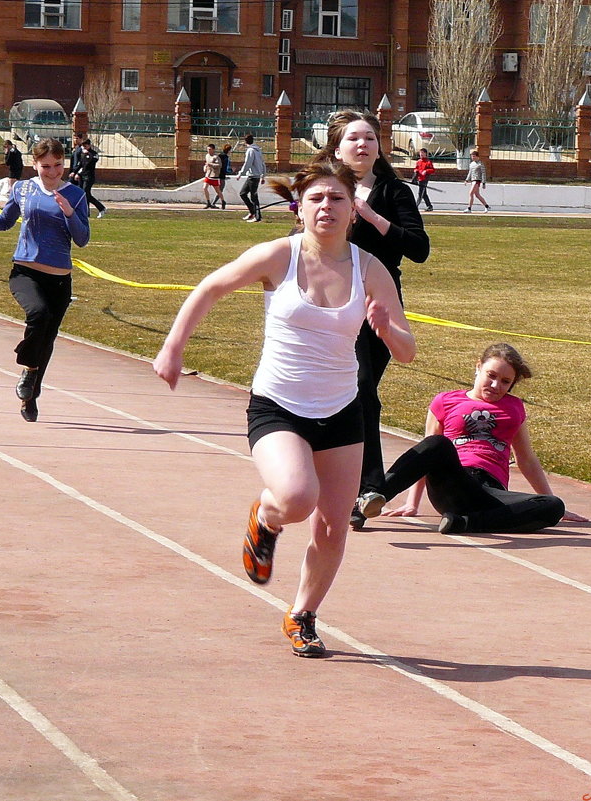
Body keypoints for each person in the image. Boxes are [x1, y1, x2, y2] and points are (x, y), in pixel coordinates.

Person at [152, 161, 415, 657]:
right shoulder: (279, 256)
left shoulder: (369, 268)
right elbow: (211, 287)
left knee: (334, 526)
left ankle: (302, 615)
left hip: (342, 411)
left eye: (337, 199)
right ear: (300, 206)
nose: (326, 208)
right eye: (316, 199)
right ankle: (267, 516)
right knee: (296, 497)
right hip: (279, 405)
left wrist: (386, 328)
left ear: (353, 209)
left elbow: (407, 351)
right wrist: (173, 346)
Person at [317, 109, 430, 530]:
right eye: (353, 139)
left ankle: (364, 488)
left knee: (362, 386)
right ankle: (360, 486)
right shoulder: (324, 190)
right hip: (330, 302)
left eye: (369, 138)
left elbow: (419, 249)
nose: (362, 145)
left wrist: (370, 215)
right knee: (348, 389)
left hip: (379, 304)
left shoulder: (394, 191)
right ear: (336, 147)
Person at [358, 343, 588, 533]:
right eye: (491, 375)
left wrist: (547, 496)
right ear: (478, 368)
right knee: (438, 444)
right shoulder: (445, 401)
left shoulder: (514, 407)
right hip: (452, 482)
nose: (496, 385)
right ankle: (368, 501)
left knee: (553, 506)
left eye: (506, 382)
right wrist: (412, 503)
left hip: (490, 493)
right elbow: (423, 454)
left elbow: (526, 459)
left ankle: (463, 523)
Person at [0, 138, 90, 423]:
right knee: (38, 315)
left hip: (59, 280)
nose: (53, 172)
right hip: (25, 272)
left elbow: (82, 239)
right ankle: (28, 368)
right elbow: (6, 220)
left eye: (58, 165)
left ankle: (30, 393)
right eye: (46, 166)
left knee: (47, 339)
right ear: (34, 164)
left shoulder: (76, 195)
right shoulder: (23, 188)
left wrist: (68, 211)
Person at [235, 133, 266, 222]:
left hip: (253, 176)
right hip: (254, 176)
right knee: (243, 193)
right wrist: (263, 175)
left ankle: (257, 217)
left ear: (245, 142)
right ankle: (252, 212)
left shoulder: (250, 151)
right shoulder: (258, 150)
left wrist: (240, 174)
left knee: (253, 197)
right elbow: (263, 163)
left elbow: (247, 163)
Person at [77, 138, 106, 219]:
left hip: (89, 177)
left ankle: (101, 208)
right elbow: (81, 165)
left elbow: (91, 162)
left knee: (86, 193)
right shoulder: (82, 153)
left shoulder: (94, 154)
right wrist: (75, 173)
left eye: (85, 146)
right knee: (84, 194)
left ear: (89, 145)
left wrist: (88, 154)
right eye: (83, 146)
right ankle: (87, 213)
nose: (84, 147)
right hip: (82, 175)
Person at [202, 143, 225, 209]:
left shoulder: (216, 157)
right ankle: (208, 202)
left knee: (217, 190)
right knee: (204, 188)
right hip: (208, 175)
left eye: (210, 149)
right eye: (207, 149)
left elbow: (219, 165)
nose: (208, 151)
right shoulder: (207, 156)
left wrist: (211, 164)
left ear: (213, 149)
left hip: (214, 176)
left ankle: (223, 201)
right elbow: (206, 163)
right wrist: (205, 167)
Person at [413, 147, 435, 212]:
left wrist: (426, 171)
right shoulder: (418, 162)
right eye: (420, 153)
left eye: (422, 153)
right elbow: (416, 168)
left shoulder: (428, 162)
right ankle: (429, 206)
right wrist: (415, 171)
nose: (421, 154)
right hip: (419, 179)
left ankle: (415, 206)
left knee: (420, 193)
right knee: (424, 194)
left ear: (425, 154)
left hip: (424, 179)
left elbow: (432, 170)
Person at [210, 143, 232, 209]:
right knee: (220, 190)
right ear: (228, 150)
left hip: (217, 175)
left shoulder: (219, 156)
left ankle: (214, 203)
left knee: (219, 190)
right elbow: (225, 168)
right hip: (221, 176)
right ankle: (214, 203)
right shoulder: (225, 158)